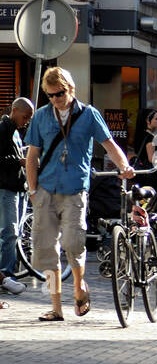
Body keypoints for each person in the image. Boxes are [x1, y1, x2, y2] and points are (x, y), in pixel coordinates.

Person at [22, 67, 134, 321]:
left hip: (75, 189)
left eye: (59, 94)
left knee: (74, 242)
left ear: (70, 89)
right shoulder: (41, 117)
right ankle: (56, 306)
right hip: (46, 190)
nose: (55, 99)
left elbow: (109, 145)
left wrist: (124, 166)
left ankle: (80, 285)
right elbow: (32, 157)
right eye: (50, 95)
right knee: (45, 249)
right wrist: (33, 190)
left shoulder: (89, 115)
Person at [1, 97, 34, 297]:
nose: (27, 120)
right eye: (25, 116)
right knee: (10, 232)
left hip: (16, 187)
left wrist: (23, 153)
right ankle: (6, 276)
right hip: (7, 188)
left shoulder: (13, 131)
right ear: (15, 110)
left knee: (15, 233)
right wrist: (20, 160)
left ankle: (7, 274)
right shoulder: (3, 129)